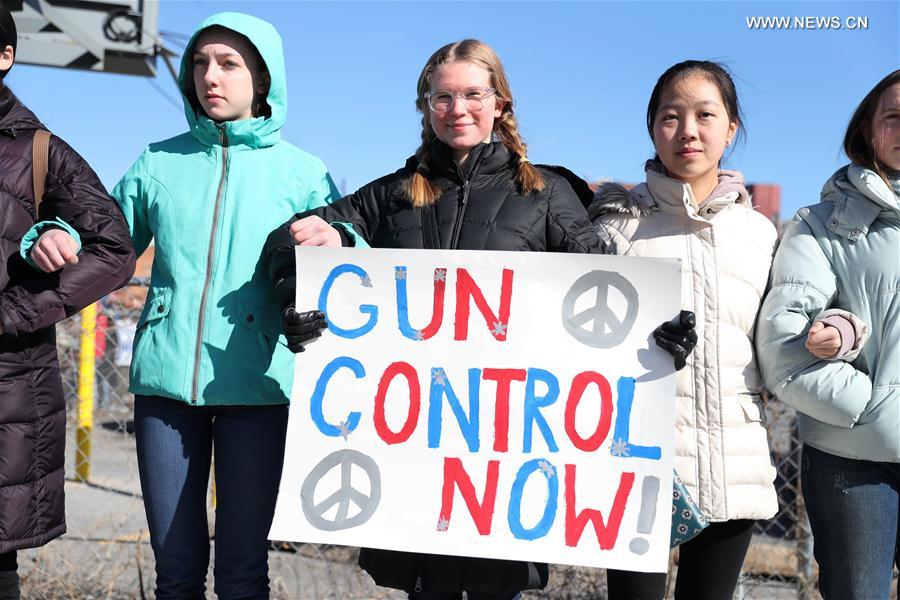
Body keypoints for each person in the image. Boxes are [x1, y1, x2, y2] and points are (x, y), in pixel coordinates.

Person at [265, 39, 601, 600]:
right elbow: (286, 243)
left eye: (473, 94)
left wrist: (657, 331)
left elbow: (605, 289)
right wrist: (303, 291)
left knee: (496, 589)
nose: (457, 109)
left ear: (500, 103)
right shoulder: (392, 197)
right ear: (426, 107)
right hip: (415, 439)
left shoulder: (545, 193)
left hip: (506, 441)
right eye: (442, 97)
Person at [110, 12, 347, 599]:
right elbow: (103, 241)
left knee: (242, 573)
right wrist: (51, 235)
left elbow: (350, 258)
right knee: (176, 574)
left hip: (260, 388)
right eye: (199, 63)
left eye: (228, 63)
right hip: (166, 390)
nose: (209, 77)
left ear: (262, 79)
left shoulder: (303, 173)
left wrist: (342, 242)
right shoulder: (156, 163)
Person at [589, 60, 778, 599]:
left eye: (705, 115)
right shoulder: (613, 230)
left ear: (730, 129)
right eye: (671, 117)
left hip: (730, 460)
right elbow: (576, 342)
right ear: (652, 129)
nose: (688, 131)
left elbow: (780, 341)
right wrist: (638, 348)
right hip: (633, 461)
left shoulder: (760, 234)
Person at [0, 5, 136, 598]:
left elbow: (114, 248)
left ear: (5, 56)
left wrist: (14, 312)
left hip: (7, 385)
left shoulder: (39, 152)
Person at [756, 70, 900, 600]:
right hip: (854, 458)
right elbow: (784, 349)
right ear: (867, 130)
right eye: (894, 117)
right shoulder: (819, 226)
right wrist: (873, 407)